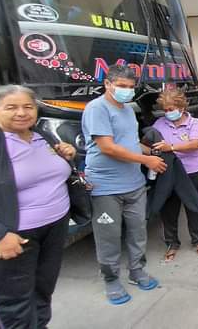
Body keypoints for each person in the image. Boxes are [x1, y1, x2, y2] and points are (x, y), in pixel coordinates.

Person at [0, 85, 76, 327]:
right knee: (13, 304)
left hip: (53, 227)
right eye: (11, 107)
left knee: (43, 290)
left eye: (28, 107)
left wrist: (68, 156)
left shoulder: (41, 136)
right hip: (14, 236)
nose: (21, 113)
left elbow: (50, 172)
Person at [82, 65, 165, 304]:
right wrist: (145, 160)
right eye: (121, 86)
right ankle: (111, 279)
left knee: (138, 231)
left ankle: (137, 271)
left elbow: (130, 142)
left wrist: (151, 152)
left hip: (134, 184)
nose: (126, 91)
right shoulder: (97, 108)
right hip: (105, 186)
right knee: (108, 236)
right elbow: (107, 147)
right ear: (108, 84)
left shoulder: (128, 109)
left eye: (130, 87)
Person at [150, 88, 198, 262]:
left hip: (192, 171)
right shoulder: (159, 124)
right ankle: (172, 243)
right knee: (169, 209)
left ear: (182, 107)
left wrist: (171, 147)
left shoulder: (194, 123)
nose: (168, 112)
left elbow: (195, 144)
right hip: (168, 172)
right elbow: (152, 143)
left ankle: (197, 240)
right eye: (165, 109)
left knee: (194, 206)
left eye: (171, 109)